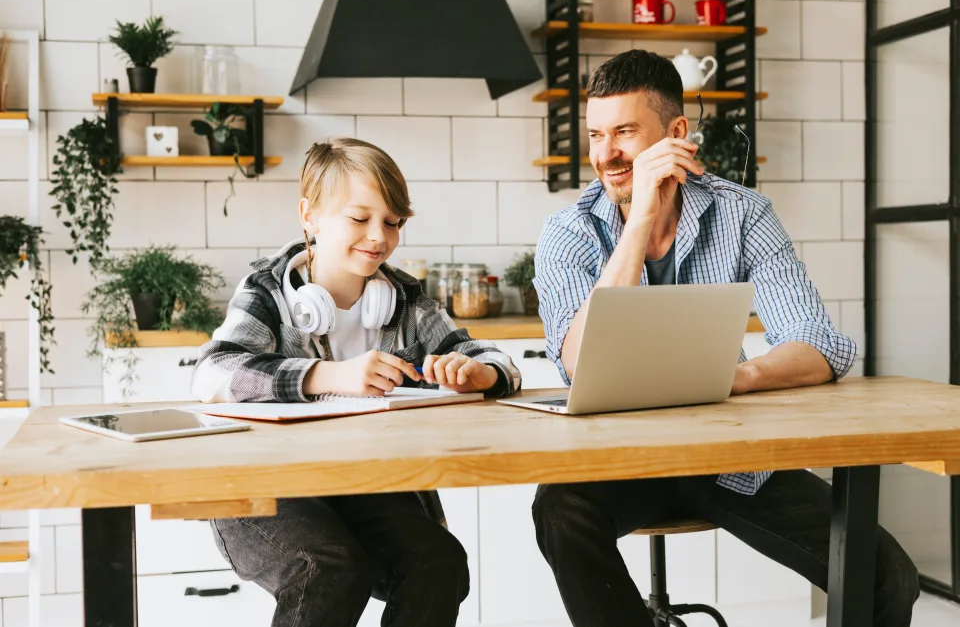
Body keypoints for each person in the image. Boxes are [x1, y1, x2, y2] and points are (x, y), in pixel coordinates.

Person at [531, 50, 918, 627]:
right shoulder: (568, 232)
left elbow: (819, 343)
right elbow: (582, 362)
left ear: (677, 133)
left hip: (725, 458)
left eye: (625, 133)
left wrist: (740, 377)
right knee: (559, 509)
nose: (606, 154)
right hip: (614, 461)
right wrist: (638, 222)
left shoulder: (744, 215)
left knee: (886, 575)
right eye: (595, 135)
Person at [191, 137, 521, 627]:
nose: (378, 236)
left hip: (363, 488)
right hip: (266, 490)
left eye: (392, 222)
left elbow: (497, 361)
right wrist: (329, 376)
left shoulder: (407, 301)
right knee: (329, 566)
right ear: (310, 216)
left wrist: (480, 373)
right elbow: (212, 372)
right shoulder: (265, 291)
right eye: (359, 218)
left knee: (438, 562)